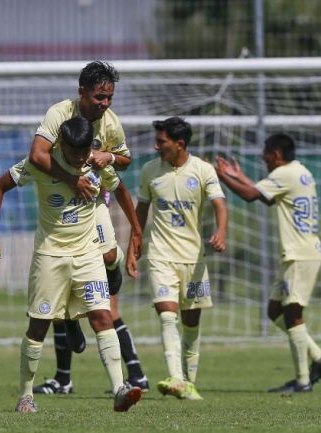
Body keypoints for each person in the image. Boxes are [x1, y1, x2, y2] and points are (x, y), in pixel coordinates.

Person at [0, 116, 143, 413]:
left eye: (85, 152)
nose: (81, 158)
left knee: (102, 318)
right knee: (38, 326)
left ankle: (120, 388)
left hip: (87, 255)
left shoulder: (95, 164)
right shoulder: (40, 164)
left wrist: (137, 230)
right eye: (75, 152)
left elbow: (120, 190)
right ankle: (26, 395)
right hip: (51, 256)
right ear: (61, 145)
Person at [27, 60, 148, 395]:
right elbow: (37, 154)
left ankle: (109, 273)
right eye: (99, 97)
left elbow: (125, 161)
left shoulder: (110, 123)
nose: (105, 103)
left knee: (109, 253)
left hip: (92, 203)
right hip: (60, 203)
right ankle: (68, 323)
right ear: (82, 92)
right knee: (66, 279)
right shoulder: (59, 113)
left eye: (109, 97)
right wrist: (72, 179)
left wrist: (109, 157)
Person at [214, 133, 321, 393]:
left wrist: (220, 176)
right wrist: (237, 175)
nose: (264, 159)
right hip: (297, 254)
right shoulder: (299, 171)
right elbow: (266, 196)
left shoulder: (285, 174)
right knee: (274, 311)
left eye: (266, 154)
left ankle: (303, 381)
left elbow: (249, 195)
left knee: (293, 314)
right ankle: (319, 357)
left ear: (277, 154)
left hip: (300, 255)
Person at [132, 117, 227, 401]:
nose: (156, 146)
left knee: (191, 323)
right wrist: (134, 244)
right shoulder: (149, 170)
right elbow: (140, 210)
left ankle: (189, 382)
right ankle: (175, 377)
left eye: (161, 142)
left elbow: (220, 205)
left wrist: (221, 232)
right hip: (161, 256)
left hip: (193, 259)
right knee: (167, 316)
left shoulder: (202, 170)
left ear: (179, 144)